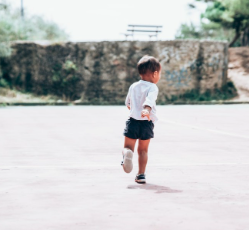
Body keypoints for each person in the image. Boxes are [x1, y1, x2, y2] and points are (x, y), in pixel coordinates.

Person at [121, 55, 161, 184]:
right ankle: (141, 175)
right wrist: (146, 110)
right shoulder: (153, 87)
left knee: (128, 147)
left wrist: (136, 110)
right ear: (155, 74)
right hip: (147, 123)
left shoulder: (133, 86)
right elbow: (150, 100)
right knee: (143, 150)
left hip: (133, 121)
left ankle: (127, 154)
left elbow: (128, 103)